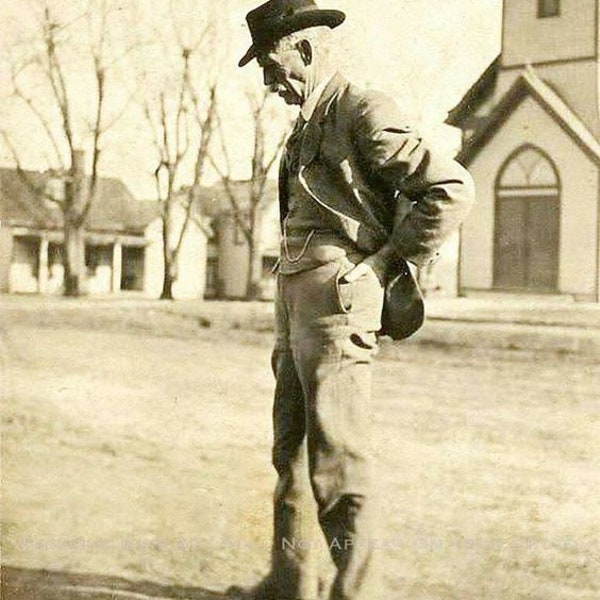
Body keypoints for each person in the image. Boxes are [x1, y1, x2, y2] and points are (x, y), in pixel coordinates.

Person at [230, 1, 475, 599]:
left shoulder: (363, 110)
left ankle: (357, 592)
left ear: (306, 51)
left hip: (337, 308)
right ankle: (290, 583)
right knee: (288, 448)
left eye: (271, 64)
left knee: (337, 459)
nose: (269, 83)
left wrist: (385, 264)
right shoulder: (307, 124)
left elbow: (450, 188)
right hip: (292, 301)